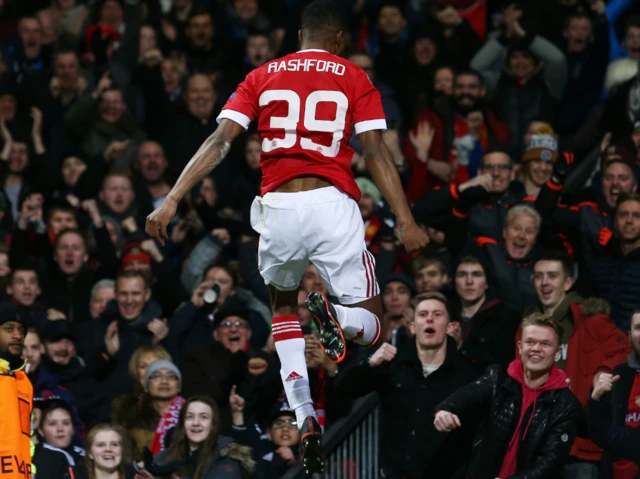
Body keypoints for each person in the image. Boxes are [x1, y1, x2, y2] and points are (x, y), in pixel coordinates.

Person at [144, 0, 428, 473]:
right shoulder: (355, 77)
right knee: (375, 326)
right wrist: (406, 219)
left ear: (300, 36)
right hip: (330, 202)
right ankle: (338, 316)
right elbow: (375, 152)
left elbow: (219, 142)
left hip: (276, 208)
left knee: (282, 307)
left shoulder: (262, 75)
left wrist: (173, 197)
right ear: (339, 41)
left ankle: (302, 415)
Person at [434, 313, 582, 478]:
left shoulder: (566, 405)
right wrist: (446, 409)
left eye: (545, 344)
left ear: (557, 352)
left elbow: (548, 462)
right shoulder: (498, 377)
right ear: (520, 346)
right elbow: (470, 393)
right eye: (530, 342)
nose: (536, 349)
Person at [0, 303, 33, 479]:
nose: (17, 335)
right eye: (9, 329)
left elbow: (28, 438)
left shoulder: (24, 382)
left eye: (21, 331)